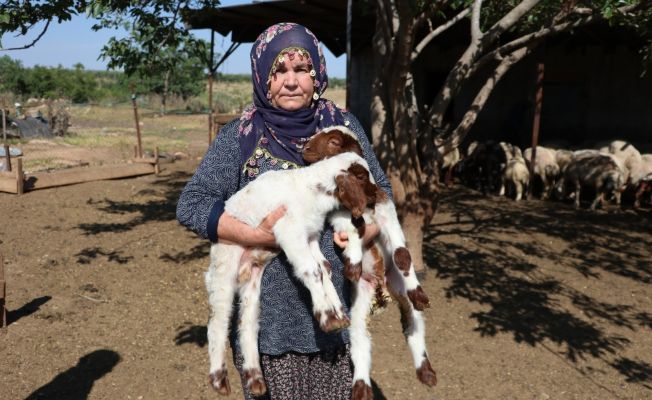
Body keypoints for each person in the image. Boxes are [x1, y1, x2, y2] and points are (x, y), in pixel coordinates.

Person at [177, 22, 391, 400]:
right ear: (263, 77)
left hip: (335, 320)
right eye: (279, 71)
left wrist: (364, 230)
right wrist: (256, 235)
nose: (291, 82)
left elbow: (381, 194)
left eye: (301, 70)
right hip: (269, 329)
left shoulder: (342, 130)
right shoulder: (241, 137)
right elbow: (191, 205)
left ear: (318, 74)